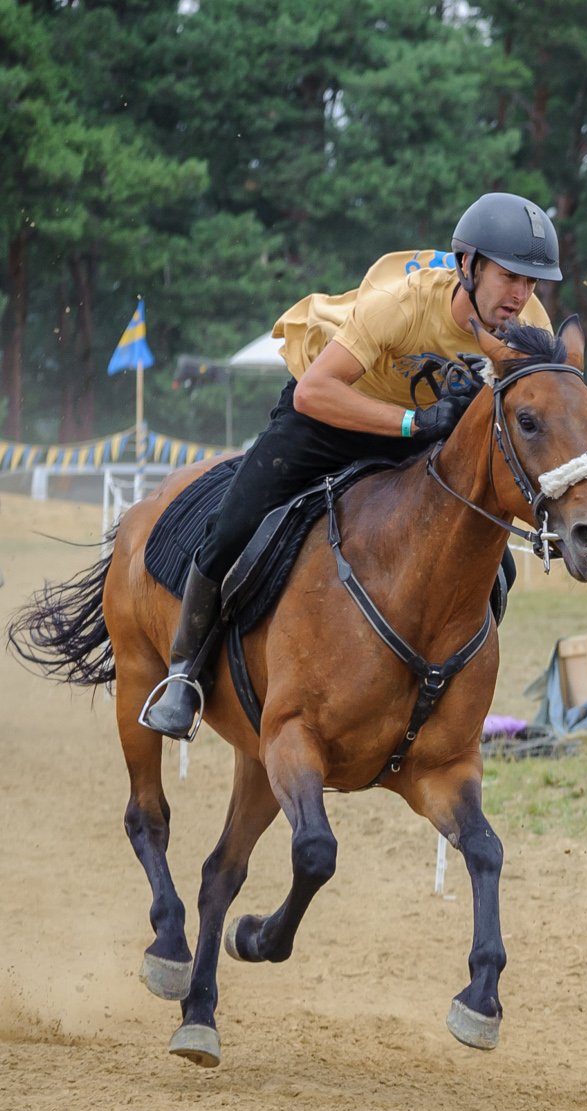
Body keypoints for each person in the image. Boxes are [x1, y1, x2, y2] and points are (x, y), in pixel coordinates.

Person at [139, 192, 560, 740]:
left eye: (532, 282)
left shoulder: (531, 327)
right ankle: (184, 674)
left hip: (422, 435)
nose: (521, 295)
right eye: (509, 277)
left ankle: (443, 687)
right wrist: (415, 423)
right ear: (468, 265)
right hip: (329, 415)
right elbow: (314, 392)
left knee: (493, 561)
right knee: (233, 527)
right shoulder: (400, 303)